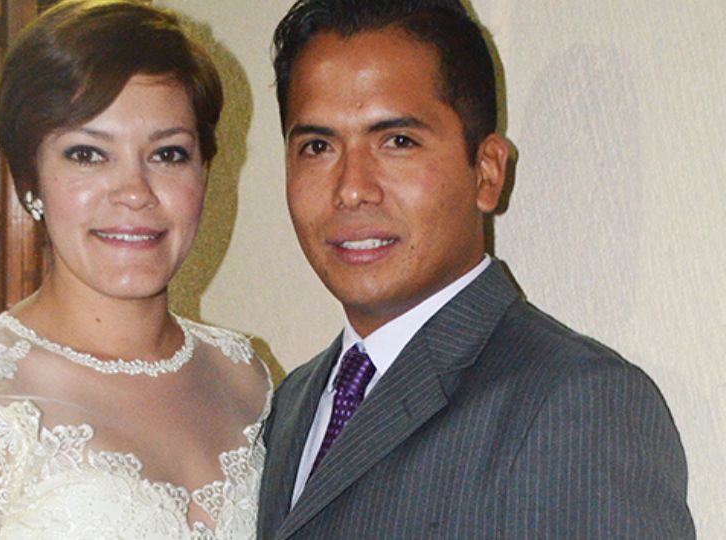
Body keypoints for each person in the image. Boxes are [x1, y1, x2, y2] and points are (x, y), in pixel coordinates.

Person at [257, 1, 695, 538]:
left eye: (397, 141)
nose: (351, 189)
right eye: (317, 146)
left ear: (487, 172)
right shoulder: (287, 406)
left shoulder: (577, 403)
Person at [0, 2, 271, 538]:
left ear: (205, 171)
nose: (135, 192)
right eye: (87, 154)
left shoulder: (244, 375)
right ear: (30, 180)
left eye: (169, 154)